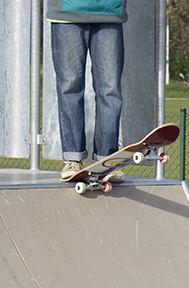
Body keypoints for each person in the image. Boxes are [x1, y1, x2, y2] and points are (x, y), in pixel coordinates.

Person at [46, 0, 126, 179]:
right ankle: (72, 159)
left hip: (109, 10)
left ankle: (108, 161)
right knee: (70, 87)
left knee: (110, 90)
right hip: (67, 12)